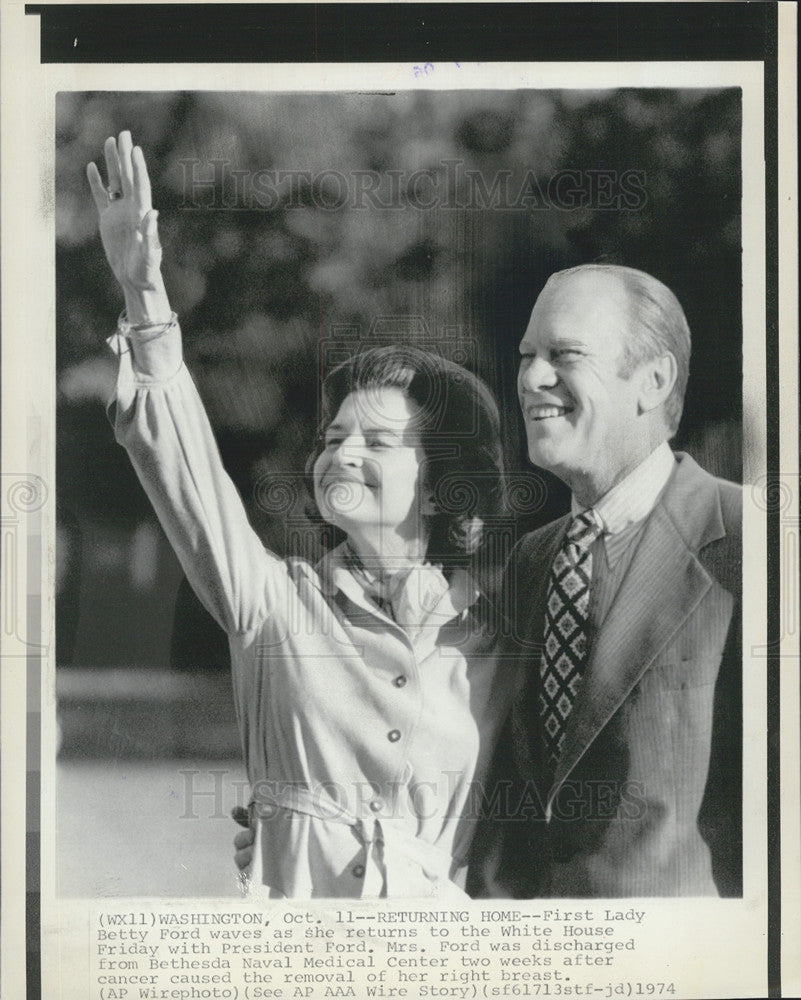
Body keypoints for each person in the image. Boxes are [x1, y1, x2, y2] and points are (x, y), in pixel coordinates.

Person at [87, 131, 522, 899]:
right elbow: (188, 478)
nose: (339, 453)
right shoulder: (274, 605)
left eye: (377, 441)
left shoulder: (492, 638)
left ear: (437, 485)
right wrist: (144, 297)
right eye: (332, 437)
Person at [468, 264, 742, 898]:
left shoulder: (751, 543)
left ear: (652, 380)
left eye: (564, 354)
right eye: (526, 355)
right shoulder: (532, 564)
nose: (532, 377)